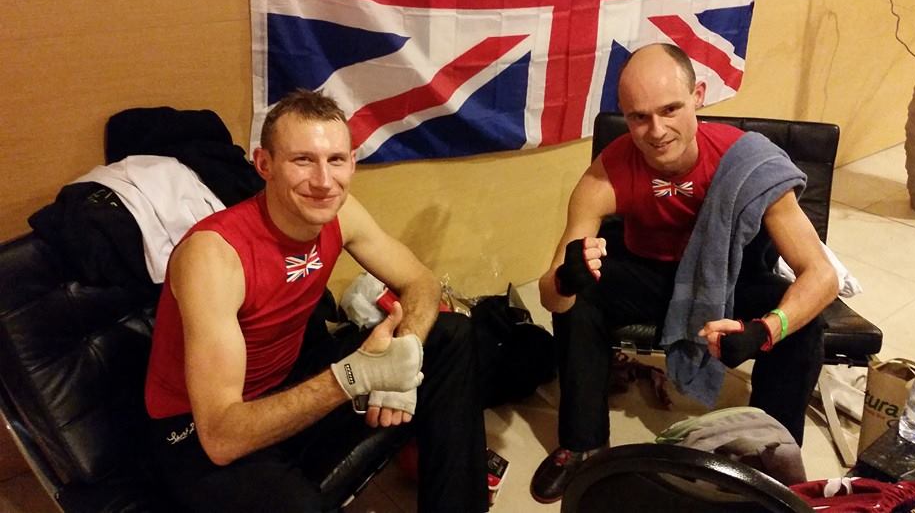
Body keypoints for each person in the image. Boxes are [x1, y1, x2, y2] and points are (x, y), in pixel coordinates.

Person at [144, 90, 488, 512]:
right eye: (303, 160)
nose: (324, 181)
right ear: (264, 165)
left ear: (352, 163)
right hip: (199, 426)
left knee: (451, 335)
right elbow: (221, 437)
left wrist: (407, 349)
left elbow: (421, 281)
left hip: (287, 376)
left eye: (337, 160)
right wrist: (353, 376)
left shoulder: (341, 212)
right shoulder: (214, 256)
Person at [529, 43, 839, 503]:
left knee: (806, 323)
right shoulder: (606, 174)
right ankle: (582, 445)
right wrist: (566, 281)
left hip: (731, 281)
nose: (656, 131)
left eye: (670, 109)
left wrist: (765, 331)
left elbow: (822, 275)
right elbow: (550, 297)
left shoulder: (748, 162)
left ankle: (766, 454)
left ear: (698, 95)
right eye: (638, 117)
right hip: (648, 275)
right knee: (582, 298)